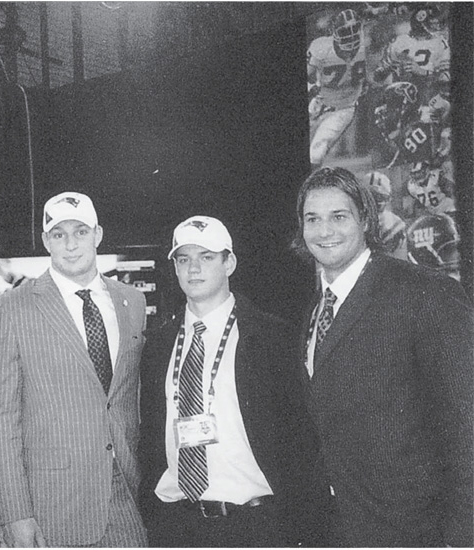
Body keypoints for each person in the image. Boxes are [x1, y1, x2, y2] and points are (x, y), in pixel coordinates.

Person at [293, 166, 473, 547]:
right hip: (339, 530)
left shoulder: (425, 293)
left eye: (338, 217)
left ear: (365, 220)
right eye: (313, 219)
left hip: (414, 533)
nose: (324, 231)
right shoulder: (316, 308)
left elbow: (466, 429)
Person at [138, 215, 328, 547]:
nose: (193, 268)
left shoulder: (272, 337)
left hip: (254, 526)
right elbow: (151, 437)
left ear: (230, 263)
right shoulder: (158, 344)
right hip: (178, 527)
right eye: (184, 259)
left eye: (206, 257)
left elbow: (300, 440)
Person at [0, 192, 147, 547]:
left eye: (80, 232)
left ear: (98, 234)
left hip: (125, 494)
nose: (71, 244)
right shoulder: (9, 309)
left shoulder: (132, 301)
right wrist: (15, 514)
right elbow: (1, 420)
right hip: (52, 505)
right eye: (59, 234)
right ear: (45, 241)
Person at [307, 8, 367, 165]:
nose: (351, 35)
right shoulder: (321, 47)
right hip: (319, 102)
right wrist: (311, 88)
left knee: (316, 154)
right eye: (347, 31)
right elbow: (306, 75)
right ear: (334, 32)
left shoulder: (365, 45)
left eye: (354, 30)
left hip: (343, 108)